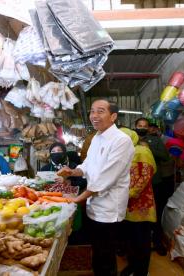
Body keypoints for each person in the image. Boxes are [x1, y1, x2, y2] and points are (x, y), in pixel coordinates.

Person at [57, 99, 135, 276]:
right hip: (94, 205)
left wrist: (78, 199)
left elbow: (106, 178)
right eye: (92, 111)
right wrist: (72, 171)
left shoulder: (121, 141)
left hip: (108, 210)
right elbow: (88, 166)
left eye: (100, 111)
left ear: (113, 116)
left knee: (105, 256)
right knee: (98, 254)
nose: (94, 115)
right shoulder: (96, 138)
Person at [119, 128, 157, 276]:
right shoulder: (124, 153)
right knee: (130, 238)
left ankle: (141, 270)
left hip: (142, 204)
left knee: (142, 239)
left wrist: (130, 193)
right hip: (125, 204)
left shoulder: (142, 151)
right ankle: (132, 266)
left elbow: (146, 175)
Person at [135, 117, 172, 255]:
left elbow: (165, 156)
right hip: (134, 184)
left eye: (145, 126)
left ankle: (157, 242)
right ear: (135, 126)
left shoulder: (155, 140)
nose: (142, 128)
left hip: (153, 183)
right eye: (140, 125)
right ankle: (130, 245)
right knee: (134, 215)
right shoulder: (130, 140)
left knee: (155, 213)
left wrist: (149, 148)